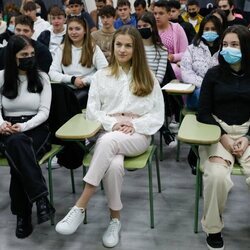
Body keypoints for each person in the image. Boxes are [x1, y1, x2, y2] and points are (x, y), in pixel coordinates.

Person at [55, 25, 164, 248]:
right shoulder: (101, 76)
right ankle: (115, 221)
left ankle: (80, 206)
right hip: (108, 129)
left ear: (136, 49)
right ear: (112, 46)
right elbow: (93, 110)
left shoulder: (148, 77)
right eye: (118, 44)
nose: (122, 50)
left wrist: (134, 124)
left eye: (128, 45)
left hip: (137, 135)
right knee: (113, 166)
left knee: (107, 142)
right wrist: (114, 122)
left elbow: (157, 114)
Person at [197, 25, 250, 250]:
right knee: (216, 176)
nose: (228, 49)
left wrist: (248, 138)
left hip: (247, 133)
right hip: (217, 131)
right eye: (225, 45)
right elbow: (203, 112)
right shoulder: (213, 74)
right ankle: (213, 229)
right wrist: (222, 137)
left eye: (235, 44)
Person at [0, 34, 55, 239]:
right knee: (18, 146)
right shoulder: (2, 77)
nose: (29, 58)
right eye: (24, 55)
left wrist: (23, 126)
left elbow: (44, 112)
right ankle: (41, 199)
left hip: (35, 127)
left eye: (32, 54)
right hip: (7, 127)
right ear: (13, 57)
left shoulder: (42, 77)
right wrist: (2, 124)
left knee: (17, 150)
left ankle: (23, 215)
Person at [49, 16, 108, 108]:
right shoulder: (62, 48)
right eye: (70, 29)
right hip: (68, 89)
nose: (73, 32)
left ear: (85, 30)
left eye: (77, 29)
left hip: (88, 89)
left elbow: (104, 72)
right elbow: (52, 72)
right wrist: (72, 80)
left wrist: (85, 81)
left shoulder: (93, 48)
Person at [137, 11, 177, 148]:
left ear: (153, 27)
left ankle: (156, 131)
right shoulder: (135, 48)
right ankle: (163, 130)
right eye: (139, 26)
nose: (142, 29)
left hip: (153, 87)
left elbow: (159, 77)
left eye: (145, 25)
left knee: (150, 100)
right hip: (135, 85)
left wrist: (148, 86)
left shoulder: (161, 49)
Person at [181, 14, 223, 110]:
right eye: (206, 29)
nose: (210, 31)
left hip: (219, 91)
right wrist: (206, 84)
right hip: (197, 93)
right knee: (201, 93)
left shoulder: (225, 50)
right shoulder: (191, 49)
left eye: (213, 29)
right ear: (201, 31)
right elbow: (186, 73)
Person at [153, 0, 188, 80]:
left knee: (176, 70)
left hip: (173, 65)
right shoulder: (151, 30)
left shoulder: (177, 28)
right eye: (155, 13)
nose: (157, 16)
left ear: (169, 15)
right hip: (154, 65)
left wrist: (173, 57)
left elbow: (186, 53)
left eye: (161, 13)